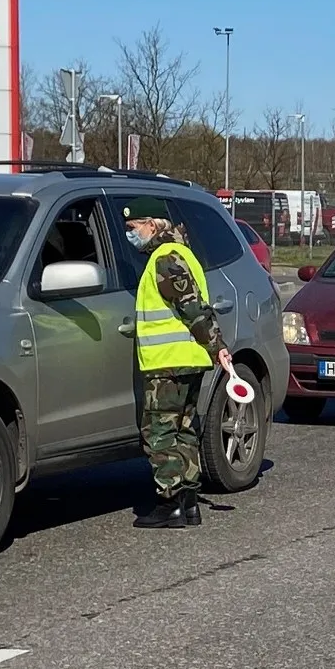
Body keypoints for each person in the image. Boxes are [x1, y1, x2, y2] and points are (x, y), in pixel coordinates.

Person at [123, 195, 232, 529]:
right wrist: (215, 349)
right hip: (187, 360)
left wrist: (218, 346)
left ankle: (169, 502)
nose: (130, 233)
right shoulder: (181, 253)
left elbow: (193, 307)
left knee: (159, 432)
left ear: (152, 225)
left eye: (133, 226)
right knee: (184, 430)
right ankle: (188, 502)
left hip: (168, 364)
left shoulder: (165, 259)